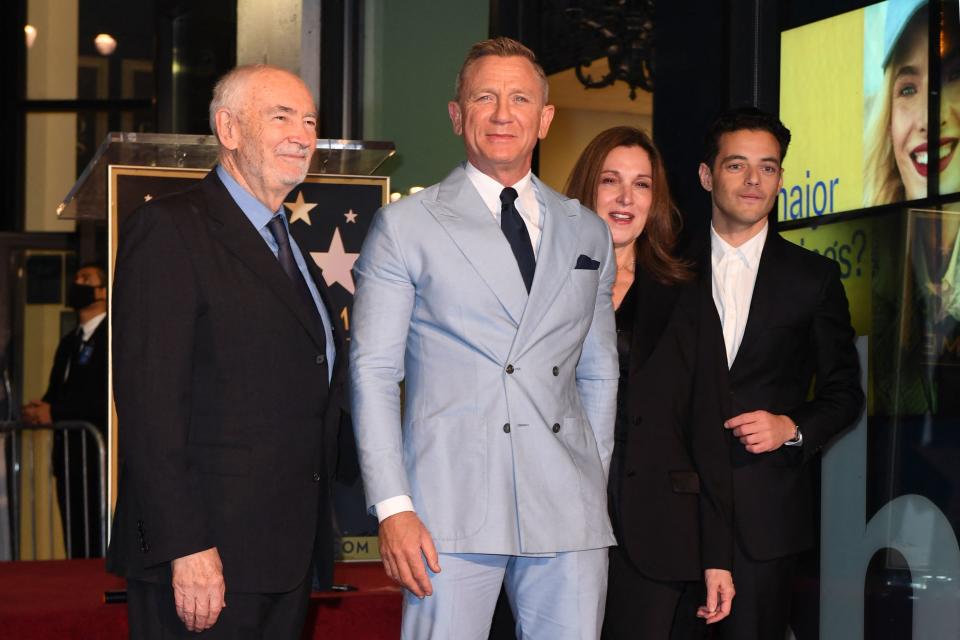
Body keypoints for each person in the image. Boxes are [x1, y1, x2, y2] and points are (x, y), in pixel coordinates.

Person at [350, 37, 619, 638]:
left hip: (567, 505)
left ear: (545, 119)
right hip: (447, 506)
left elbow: (599, 372)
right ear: (456, 114)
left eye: (520, 98)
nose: (503, 113)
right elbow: (372, 373)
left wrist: (590, 478)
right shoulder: (405, 227)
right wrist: (394, 507)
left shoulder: (587, 231)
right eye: (485, 97)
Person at [107, 64, 347, 637]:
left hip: (283, 559)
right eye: (281, 116)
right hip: (204, 562)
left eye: (310, 120)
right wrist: (186, 546)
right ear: (229, 129)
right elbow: (150, 407)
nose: (303, 134)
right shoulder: (170, 230)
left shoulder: (293, 247)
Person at [695, 107, 864, 639]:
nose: (753, 181)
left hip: (763, 523)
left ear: (781, 180)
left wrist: (789, 427)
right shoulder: (667, 269)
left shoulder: (813, 278)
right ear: (707, 175)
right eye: (737, 165)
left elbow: (844, 394)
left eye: (768, 168)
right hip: (670, 512)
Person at [563, 127, 735, 638]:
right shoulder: (546, 287)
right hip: (557, 527)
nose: (624, 198)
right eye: (610, 181)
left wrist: (718, 556)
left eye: (641, 185)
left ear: (654, 201)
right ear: (586, 189)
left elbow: (708, 426)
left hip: (658, 535)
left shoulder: (687, 296)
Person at [22, 263, 108, 558]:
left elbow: (104, 397)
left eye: (86, 279)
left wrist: (55, 412)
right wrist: (39, 409)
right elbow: (56, 393)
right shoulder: (69, 342)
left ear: (102, 291)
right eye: (75, 278)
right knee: (74, 539)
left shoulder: (112, 337)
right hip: (68, 456)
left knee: (95, 536)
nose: (77, 284)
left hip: (97, 458)